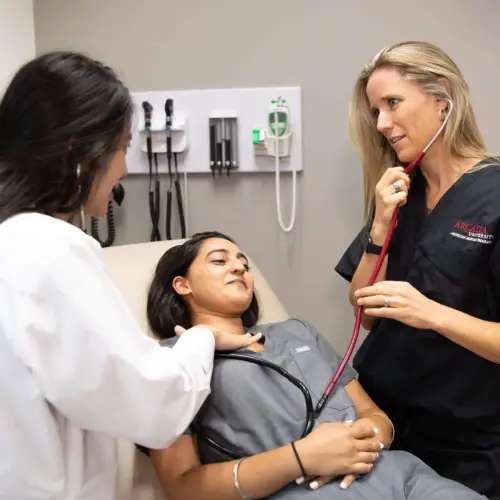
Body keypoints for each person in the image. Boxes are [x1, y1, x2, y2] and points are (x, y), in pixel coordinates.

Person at [0, 52, 261, 500]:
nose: (123, 169)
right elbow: (151, 404)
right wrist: (200, 340)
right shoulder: (52, 250)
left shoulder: (15, 241)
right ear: (79, 153)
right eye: (122, 147)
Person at [138, 230, 485, 500]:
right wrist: (300, 459)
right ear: (182, 284)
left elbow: (376, 416)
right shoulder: (169, 359)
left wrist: (368, 440)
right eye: (219, 261)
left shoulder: (297, 332)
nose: (240, 266)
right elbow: (183, 487)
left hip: (405, 478)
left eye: (243, 261)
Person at [334, 40, 500, 499]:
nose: (382, 123)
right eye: (375, 110)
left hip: (466, 442)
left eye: (392, 103)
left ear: (442, 97)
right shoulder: (400, 192)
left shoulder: (494, 194)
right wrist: (381, 224)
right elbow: (365, 313)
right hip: (381, 424)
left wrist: (431, 314)